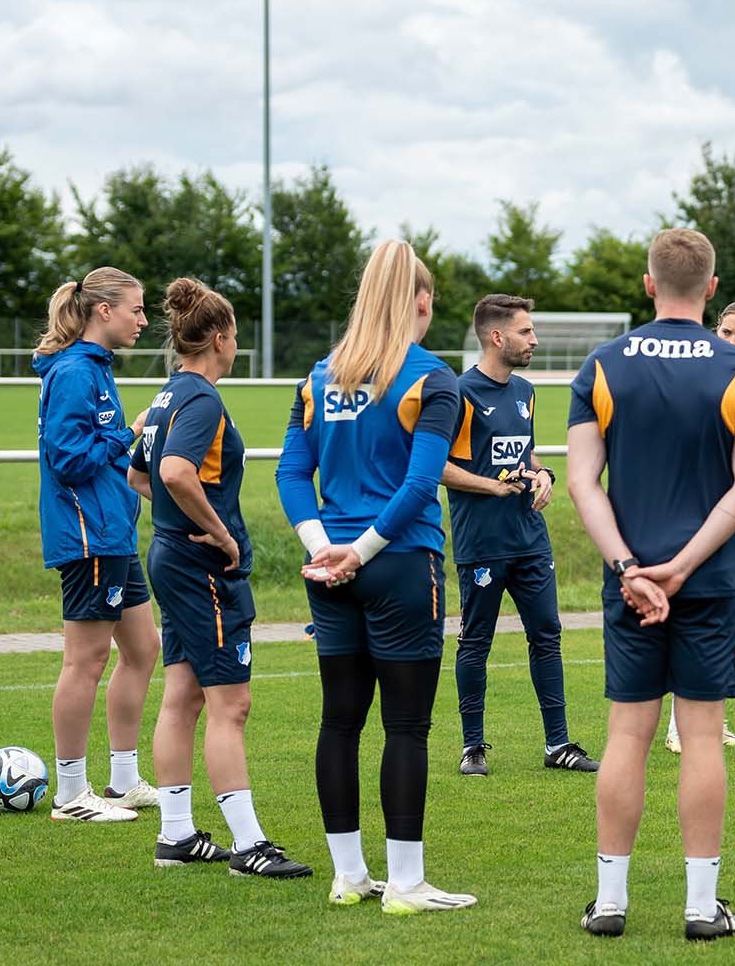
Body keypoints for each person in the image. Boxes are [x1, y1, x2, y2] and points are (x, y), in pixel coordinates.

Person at [568, 228, 735, 940]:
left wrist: (629, 568)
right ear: (711, 288)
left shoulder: (601, 365)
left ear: (649, 283)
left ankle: (610, 903)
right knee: (703, 737)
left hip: (630, 586)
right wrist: (683, 567)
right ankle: (699, 907)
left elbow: (581, 483)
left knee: (627, 733)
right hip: (711, 582)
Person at [275, 239, 474, 913]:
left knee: (340, 722)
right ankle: (407, 884)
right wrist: (359, 550)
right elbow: (421, 484)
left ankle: (349, 876)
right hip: (395, 561)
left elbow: (290, 472)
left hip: (328, 564)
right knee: (407, 727)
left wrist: (324, 547)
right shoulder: (433, 376)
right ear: (420, 301)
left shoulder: (318, 375)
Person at [131, 278, 309, 878]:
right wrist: (220, 532)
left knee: (182, 695)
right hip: (202, 566)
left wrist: (181, 519)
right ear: (222, 337)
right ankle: (248, 843)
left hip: (171, 556)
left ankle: (176, 836)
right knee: (231, 704)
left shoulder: (165, 395)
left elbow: (138, 473)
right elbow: (177, 471)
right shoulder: (202, 399)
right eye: (236, 335)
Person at [445, 293, 598, 778]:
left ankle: (558, 744)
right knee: (476, 644)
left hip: (531, 539)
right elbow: (433, 465)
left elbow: (523, 453)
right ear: (496, 337)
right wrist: (491, 486)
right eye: (526, 331)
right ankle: (472, 747)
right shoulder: (458, 393)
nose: (535, 339)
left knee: (547, 637)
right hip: (482, 542)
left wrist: (545, 473)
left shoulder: (526, 391)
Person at [35, 265, 161, 822]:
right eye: (135, 309)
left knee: (143, 649)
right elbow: (67, 459)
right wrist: (127, 433)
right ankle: (69, 794)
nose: (143, 319)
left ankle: (123, 781)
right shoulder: (74, 373)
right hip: (89, 537)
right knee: (84, 660)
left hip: (114, 535)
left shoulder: (95, 368)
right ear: (103, 311)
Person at [664, 300, 735, 753]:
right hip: (699, 514)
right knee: (693, 608)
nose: (731, 342)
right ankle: (677, 725)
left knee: (734, 611)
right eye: (725, 332)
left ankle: (713, 720)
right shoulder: (693, 376)